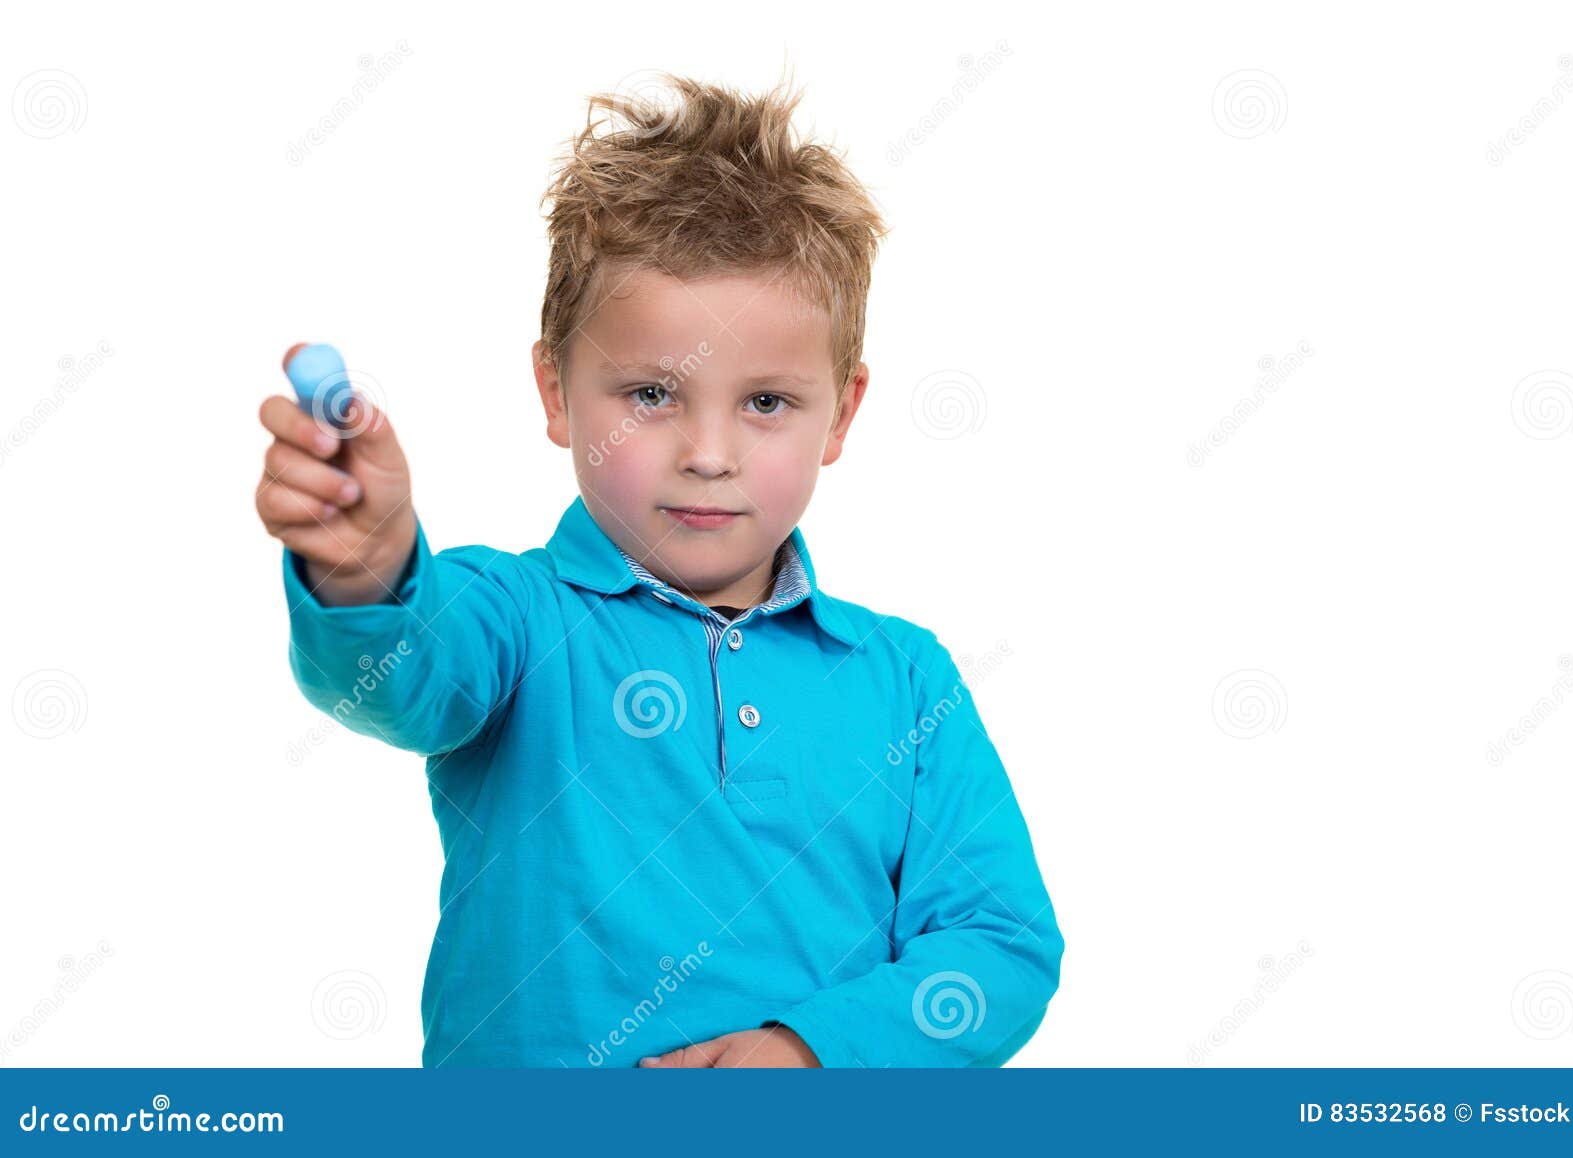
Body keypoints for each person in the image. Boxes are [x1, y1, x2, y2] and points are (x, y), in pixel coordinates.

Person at [254, 71, 1062, 1067]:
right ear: (555, 391)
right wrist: (370, 572)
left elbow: (999, 945)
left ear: (841, 416)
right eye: (649, 394)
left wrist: (809, 1055)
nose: (709, 452)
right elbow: (404, 676)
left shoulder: (903, 677)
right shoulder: (513, 620)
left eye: (766, 403)